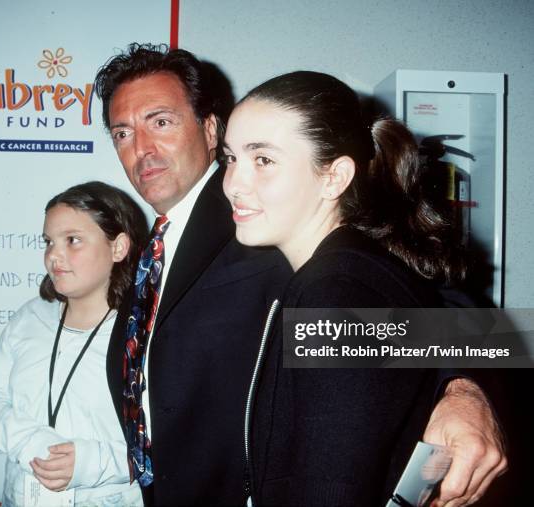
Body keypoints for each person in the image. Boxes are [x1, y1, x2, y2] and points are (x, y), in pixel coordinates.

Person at [94, 44, 506, 506]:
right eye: (122, 133)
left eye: (161, 122)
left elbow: (431, 290)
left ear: (210, 129)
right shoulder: (144, 252)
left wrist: (462, 392)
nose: (142, 148)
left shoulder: (268, 213)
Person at [222, 71, 507, 506]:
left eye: (263, 159)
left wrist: (466, 391)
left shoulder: (334, 292)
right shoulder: (354, 268)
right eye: (231, 158)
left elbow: (330, 491)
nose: (233, 184)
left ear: (334, 177)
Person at [0, 181, 147, 506]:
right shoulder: (30, 317)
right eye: (49, 242)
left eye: (72, 240)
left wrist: (90, 463)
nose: (54, 255)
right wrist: (29, 441)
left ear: (118, 247)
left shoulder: (145, 334)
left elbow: (175, 441)